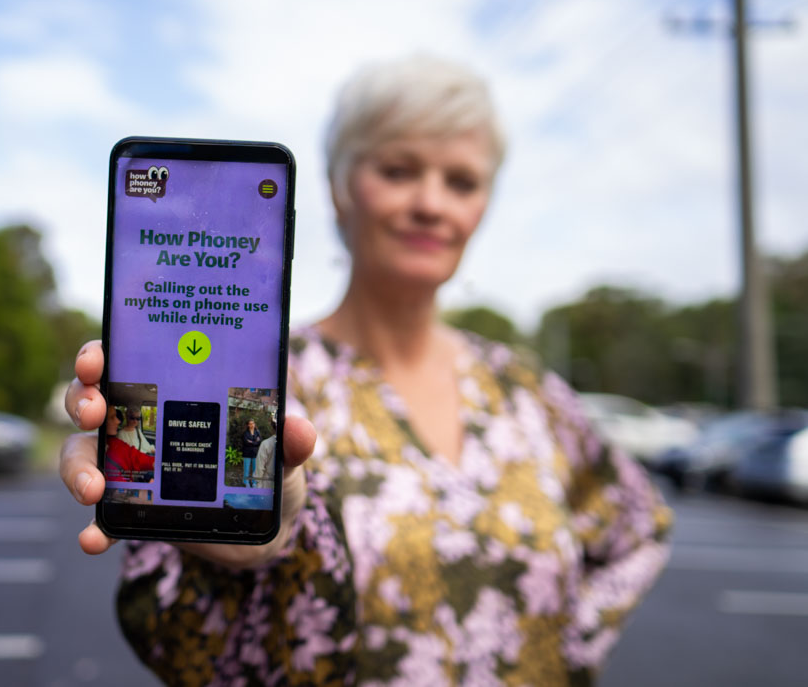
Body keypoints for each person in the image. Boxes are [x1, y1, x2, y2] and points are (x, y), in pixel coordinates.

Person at [61, 54, 672, 685]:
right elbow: (176, 642)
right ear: (338, 185)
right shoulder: (267, 380)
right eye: (399, 170)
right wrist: (255, 555)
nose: (432, 203)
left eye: (461, 181)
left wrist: (563, 654)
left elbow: (640, 529)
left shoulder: (525, 391)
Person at [102, 405, 155, 483]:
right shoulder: (120, 435)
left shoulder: (137, 431)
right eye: (132, 418)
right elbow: (131, 457)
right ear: (127, 418)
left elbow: (135, 455)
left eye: (138, 419)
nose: (135, 421)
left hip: (141, 461)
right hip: (134, 471)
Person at [240, 418, 262, 487]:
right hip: (247, 453)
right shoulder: (245, 433)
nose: (252, 425)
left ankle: (254, 482)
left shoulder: (257, 432)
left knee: (255, 469)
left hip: (255, 453)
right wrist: (255, 442)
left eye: (253, 423)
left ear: (254, 424)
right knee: (246, 468)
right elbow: (246, 442)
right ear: (248, 425)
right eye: (250, 424)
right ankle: (246, 482)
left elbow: (259, 441)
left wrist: (251, 442)